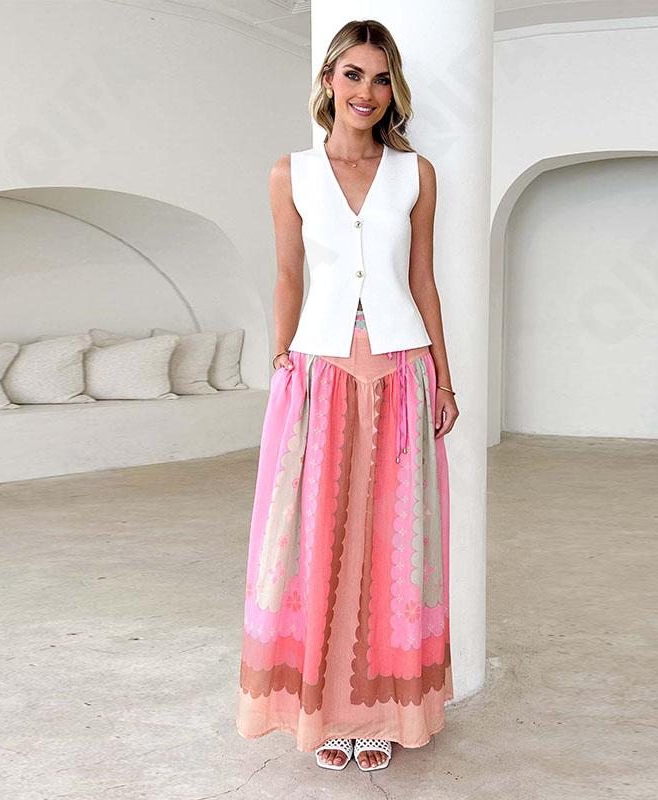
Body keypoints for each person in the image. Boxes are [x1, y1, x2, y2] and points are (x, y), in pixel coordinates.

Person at [235, 18, 459, 772]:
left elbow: (422, 278)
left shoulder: (415, 173)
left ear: (395, 90)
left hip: (402, 373)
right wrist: (282, 358)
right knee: (317, 541)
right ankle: (324, 709)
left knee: (394, 542)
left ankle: (381, 713)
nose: (367, 91)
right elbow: (288, 274)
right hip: (320, 373)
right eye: (354, 74)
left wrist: (445, 378)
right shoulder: (290, 173)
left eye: (381, 77)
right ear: (329, 79)